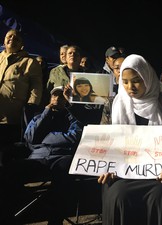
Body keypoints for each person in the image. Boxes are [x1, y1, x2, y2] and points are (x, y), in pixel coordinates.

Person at [97, 54, 162, 225]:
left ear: (148, 78)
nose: (130, 87)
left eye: (137, 80)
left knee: (160, 194)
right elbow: (105, 138)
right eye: (125, 81)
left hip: (157, 174)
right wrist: (105, 165)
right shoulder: (113, 104)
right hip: (121, 174)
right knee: (118, 195)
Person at [0, 86, 84, 224]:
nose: (56, 99)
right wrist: (45, 113)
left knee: (66, 170)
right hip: (37, 157)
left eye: (61, 96)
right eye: (54, 96)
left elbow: (75, 136)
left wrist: (47, 138)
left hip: (61, 157)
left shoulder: (72, 118)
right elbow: (29, 138)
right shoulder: (40, 116)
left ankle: (55, 220)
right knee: (6, 172)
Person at [0, 29, 43, 167]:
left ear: (22, 44)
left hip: (12, 118)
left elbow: (36, 87)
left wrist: (31, 107)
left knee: (5, 154)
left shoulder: (29, 62)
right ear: (4, 40)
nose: (12, 39)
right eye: (9, 36)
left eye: (16, 38)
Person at [46, 45, 103, 125]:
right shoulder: (55, 72)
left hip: (78, 116)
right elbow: (48, 90)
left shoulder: (87, 75)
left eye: (76, 54)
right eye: (70, 53)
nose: (72, 55)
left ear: (80, 59)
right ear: (65, 58)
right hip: (58, 113)